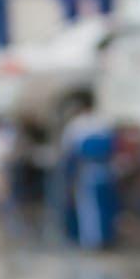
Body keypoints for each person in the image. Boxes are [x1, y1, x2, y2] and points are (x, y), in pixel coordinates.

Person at [52, 103, 119, 250]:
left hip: (87, 172)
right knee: (103, 207)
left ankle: (92, 241)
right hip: (104, 171)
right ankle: (102, 239)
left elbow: (68, 151)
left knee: (89, 209)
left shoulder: (76, 125)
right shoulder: (105, 123)